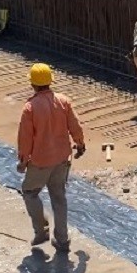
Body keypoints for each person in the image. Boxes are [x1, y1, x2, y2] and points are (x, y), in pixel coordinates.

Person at [17, 63, 86, 252]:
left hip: (40, 162)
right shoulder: (63, 101)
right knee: (59, 198)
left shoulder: (29, 108)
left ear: (33, 85)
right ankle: (62, 240)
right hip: (62, 159)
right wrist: (80, 144)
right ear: (50, 82)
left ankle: (41, 231)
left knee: (30, 193)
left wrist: (23, 161)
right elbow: (76, 127)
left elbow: (25, 139)